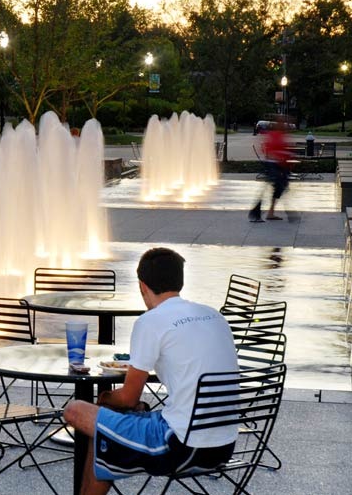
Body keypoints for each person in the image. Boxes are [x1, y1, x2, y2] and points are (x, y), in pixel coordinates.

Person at [63, 247, 238, 495]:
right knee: (104, 429)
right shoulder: (214, 316)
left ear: (142, 286)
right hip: (224, 445)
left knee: (77, 410)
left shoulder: (151, 321)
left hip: (180, 446)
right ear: (181, 281)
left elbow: (128, 398)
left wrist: (104, 399)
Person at [259, 126, 292, 221]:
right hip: (274, 165)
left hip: (277, 165)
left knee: (279, 187)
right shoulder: (275, 135)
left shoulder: (279, 135)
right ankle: (269, 212)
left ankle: (270, 212)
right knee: (279, 187)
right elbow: (270, 150)